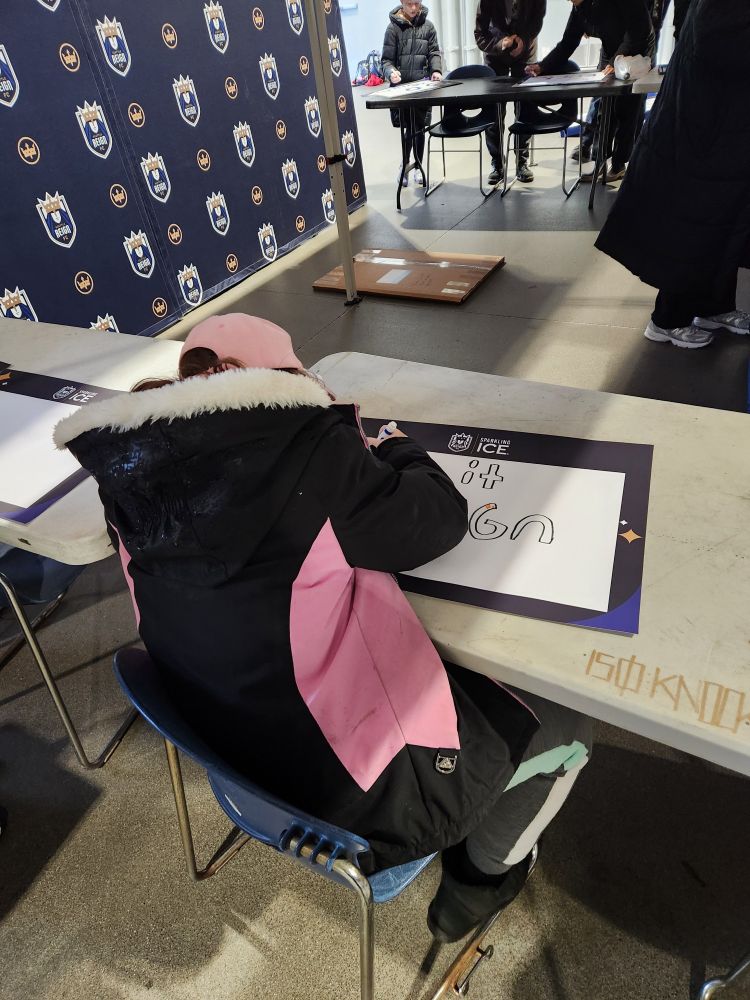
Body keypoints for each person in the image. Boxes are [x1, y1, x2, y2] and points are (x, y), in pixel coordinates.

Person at [54, 313, 592, 942]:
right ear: (289, 382)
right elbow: (441, 517)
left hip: (239, 760)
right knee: (569, 722)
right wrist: (391, 442)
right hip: (360, 795)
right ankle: (480, 882)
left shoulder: (131, 472)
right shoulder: (306, 452)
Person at [596, 0, 750, 348]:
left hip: (728, 128)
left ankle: (714, 306)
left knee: (724, 225)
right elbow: (715, 41)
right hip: (702, 130)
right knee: (692, 225)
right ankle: (668, 319)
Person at [527, 0, 655, 182]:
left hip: (637, 51)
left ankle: (619, 165)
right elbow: (568, 42)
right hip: (611, 49)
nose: (570, 1)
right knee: (604, 109)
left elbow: (637, 31)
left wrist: (615, 62)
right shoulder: (580, 8)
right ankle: (599, 162)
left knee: (627, 109)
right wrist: (542, 66)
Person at [475, 0, 547, 185]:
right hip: (495, 54)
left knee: (524, 108)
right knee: (494, 110)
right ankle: (497, 163)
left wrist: (524, 40)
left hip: (525, 53)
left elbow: (537, 21)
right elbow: (479, 34)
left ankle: (522, 161)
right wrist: (500, 44)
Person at [382, 2, 442, 187]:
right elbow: (386, 60)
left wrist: (437, 70)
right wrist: (391, 72)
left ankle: (418, 166)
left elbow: (434, 52)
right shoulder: (393, 28)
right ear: (402, 2)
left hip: (423, 87)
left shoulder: (429, 26)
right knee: (406, 128)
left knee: (420, 127)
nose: (414, 8)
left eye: (417, 3)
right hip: (401, 89)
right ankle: (405, 164)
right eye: (409, 3)